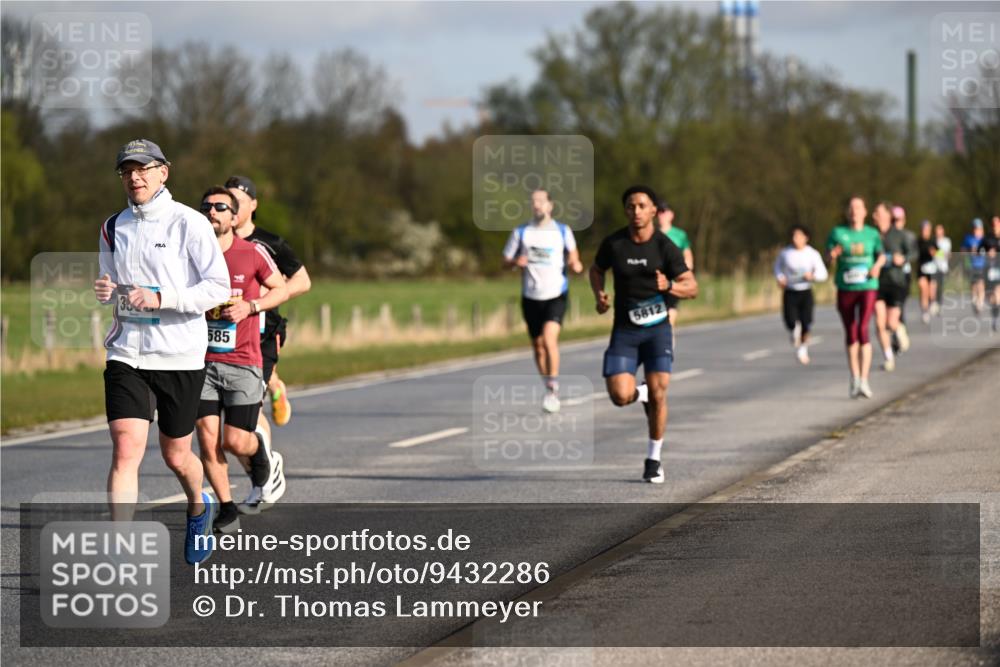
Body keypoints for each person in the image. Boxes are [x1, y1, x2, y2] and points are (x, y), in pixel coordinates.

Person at [93, 139, 230, 565]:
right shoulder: (113, 227)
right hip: (127, 354)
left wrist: (162, 297)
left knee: (176, 454)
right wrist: (106, 289)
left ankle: (198, 504)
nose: (134, 177)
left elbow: (217, 288)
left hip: (178, 356)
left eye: (143, 169)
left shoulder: (189, 223)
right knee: (125, 446)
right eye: (126, 171)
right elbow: (117, 286)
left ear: (163, 173)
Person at [195, 187, 289, 533]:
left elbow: (280, 289)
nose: (212, 211)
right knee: (207, 438)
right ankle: (226, 507)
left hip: (243, 361)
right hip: (200, 362)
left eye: (220, 207)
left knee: (234, 441)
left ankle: (261, 457)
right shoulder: (191, 254)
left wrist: (250, 306)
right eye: (206, 206)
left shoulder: (252, 254)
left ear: (234, 217)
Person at [590, 185, 697, 484]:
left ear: (653, 211)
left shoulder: (665, 247)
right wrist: (600, 293)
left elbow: (692, 287)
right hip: (625, 330)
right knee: (620, 396)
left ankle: (654, 459)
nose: (636, 211)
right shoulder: (614, 244)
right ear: (626, 211)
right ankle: (643, 392)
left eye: (641, 206)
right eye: (630, 207)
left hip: (657, 331)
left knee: (660, 391)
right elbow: (596, 269)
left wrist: (669, 287)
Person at [226, 176, 310, 511]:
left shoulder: (270, 243)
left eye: (236, 201)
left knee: (248, 408)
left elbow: (302, 281)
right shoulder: (213, 242)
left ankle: (265, 476)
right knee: (223, 420)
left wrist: (264, 294)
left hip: (262, 333)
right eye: (223, 201)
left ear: (253, 205)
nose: (229, 208)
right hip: (224, 335)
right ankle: (276, 385)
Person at [502, 189, 583, 413]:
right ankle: (548, 386)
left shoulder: (562, 231)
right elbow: (505, 261)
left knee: (549, 340)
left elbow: (574, 257)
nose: (537, 205)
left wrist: (575, 265)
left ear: (550, 205)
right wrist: (515, 263)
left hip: (556, 293)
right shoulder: (521, 232)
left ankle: (553, 385)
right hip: (531, 296)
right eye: (533, 201)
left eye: (541, 201)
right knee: (538, 347)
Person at [827, 196, 885, 399]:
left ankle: (865, 379)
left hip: (868, 285)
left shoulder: (872, 234)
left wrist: (877, 267)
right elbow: (828, 256)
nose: (854, 212)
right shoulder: (838, 233)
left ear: (865, 212)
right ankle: (855, 377)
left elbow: (881, 255)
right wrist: (832, 255)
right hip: (846, 287)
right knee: (851, 332)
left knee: (863, 329)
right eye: (851, 208)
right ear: (847, 212)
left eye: (858, 208)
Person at [773, 225, 828, 364]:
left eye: (798, 236)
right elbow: (777, 267)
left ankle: (802, 350)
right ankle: (794, 331)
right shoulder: (785, 253)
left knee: (806, 323)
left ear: (806, 238)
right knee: (791, 321)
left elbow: (823, 274)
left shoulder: (812, 254)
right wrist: (780, 278)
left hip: (805, 291)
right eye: (793, 236)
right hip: (790, 291)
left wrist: (813, 276)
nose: (795, 239)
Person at [873, 201, 910, 372]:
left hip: (896, 281)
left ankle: (899, 330)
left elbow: (913, 252)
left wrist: (902, 258)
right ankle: (888, 358)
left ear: (888, 215)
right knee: (880, 324)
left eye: (878, 213)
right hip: (877, 283)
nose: (875, 216)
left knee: (891, 322)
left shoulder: (899, 235)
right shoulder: (871, 235)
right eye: (874, 213)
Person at [655, 200, 694, 331]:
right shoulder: (652, 234)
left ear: (671, 215)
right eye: (659, 212)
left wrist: (685, 275)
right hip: (655, 283)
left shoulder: (680, 235)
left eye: (664, 212)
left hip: (673, 282)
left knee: (669, 321)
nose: (661, 215)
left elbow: (688, 255)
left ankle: (667, 348)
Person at [891, 205, 918, 338]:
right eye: (893, 220)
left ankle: (900, 327)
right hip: (888, 276)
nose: (896, 223)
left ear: (904, 220)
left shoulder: (909, 236)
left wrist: (904, 259)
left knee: (900, 303)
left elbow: (914, 253)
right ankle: (897, 329)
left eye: (898, 220)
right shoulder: (886, 236)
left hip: (903, 274)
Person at [961, 218, 987, 314]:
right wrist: (969, 251)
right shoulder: (968, 238)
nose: (976, 230)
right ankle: (974, 299)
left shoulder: (984, 239)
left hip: (981, 265)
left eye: (979, 228)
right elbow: (962, 251)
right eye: (975, 228)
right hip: (971, 265)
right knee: (973, 285)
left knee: (981, 284)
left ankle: (980, 303)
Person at [917, 221, 939, 323]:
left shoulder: (933, 241)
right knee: (923, 290)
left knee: (931, 291)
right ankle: (924, 312)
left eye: (927, 230)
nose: (925, 232)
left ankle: (933, 302)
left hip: (931, 269)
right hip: (921, 269)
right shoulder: (918, 241)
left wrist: (935, 252)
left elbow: (941, 253)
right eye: (923, 229)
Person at [981, 216, 1000, 332]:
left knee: (998, 295)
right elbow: (979, 251)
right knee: (992, 297)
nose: (995, 227)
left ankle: (995, 319)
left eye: (997, 224)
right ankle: (994, 316)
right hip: (990, 269)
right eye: (993, 225)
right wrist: (987, 254)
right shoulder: (987, 238)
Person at [933, 224, 952, 311]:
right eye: (937, 230)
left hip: (943, 267)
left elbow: (947, 254)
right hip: (933, 266)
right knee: (934, 285)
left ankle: (939, 302)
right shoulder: (933, 240)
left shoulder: (946, 241)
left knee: (940, 286)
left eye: (939, 230)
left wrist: (937, 252)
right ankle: (934, 302)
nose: (938, 232)